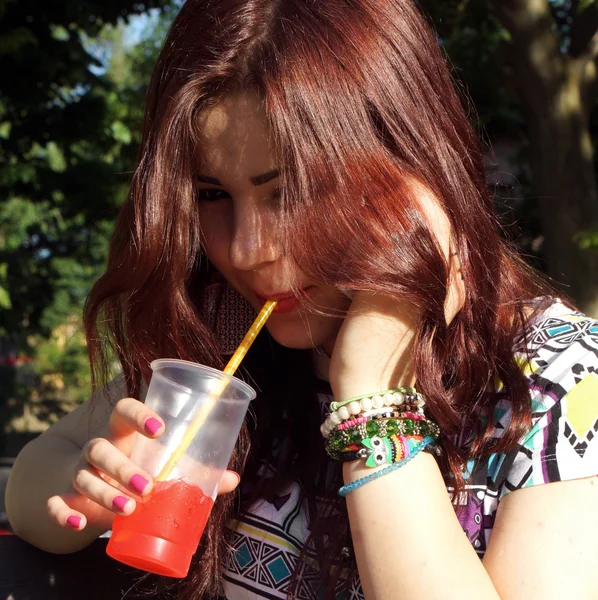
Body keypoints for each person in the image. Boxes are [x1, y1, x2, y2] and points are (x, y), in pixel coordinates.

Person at [6, 0, 598, 598]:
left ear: (406, 171)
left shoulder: (564, 383)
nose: (246, 251)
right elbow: (35, 475)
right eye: (213, 194)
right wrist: (93, 490)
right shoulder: (226, 336)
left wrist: (370, 398)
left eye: (289, 190)